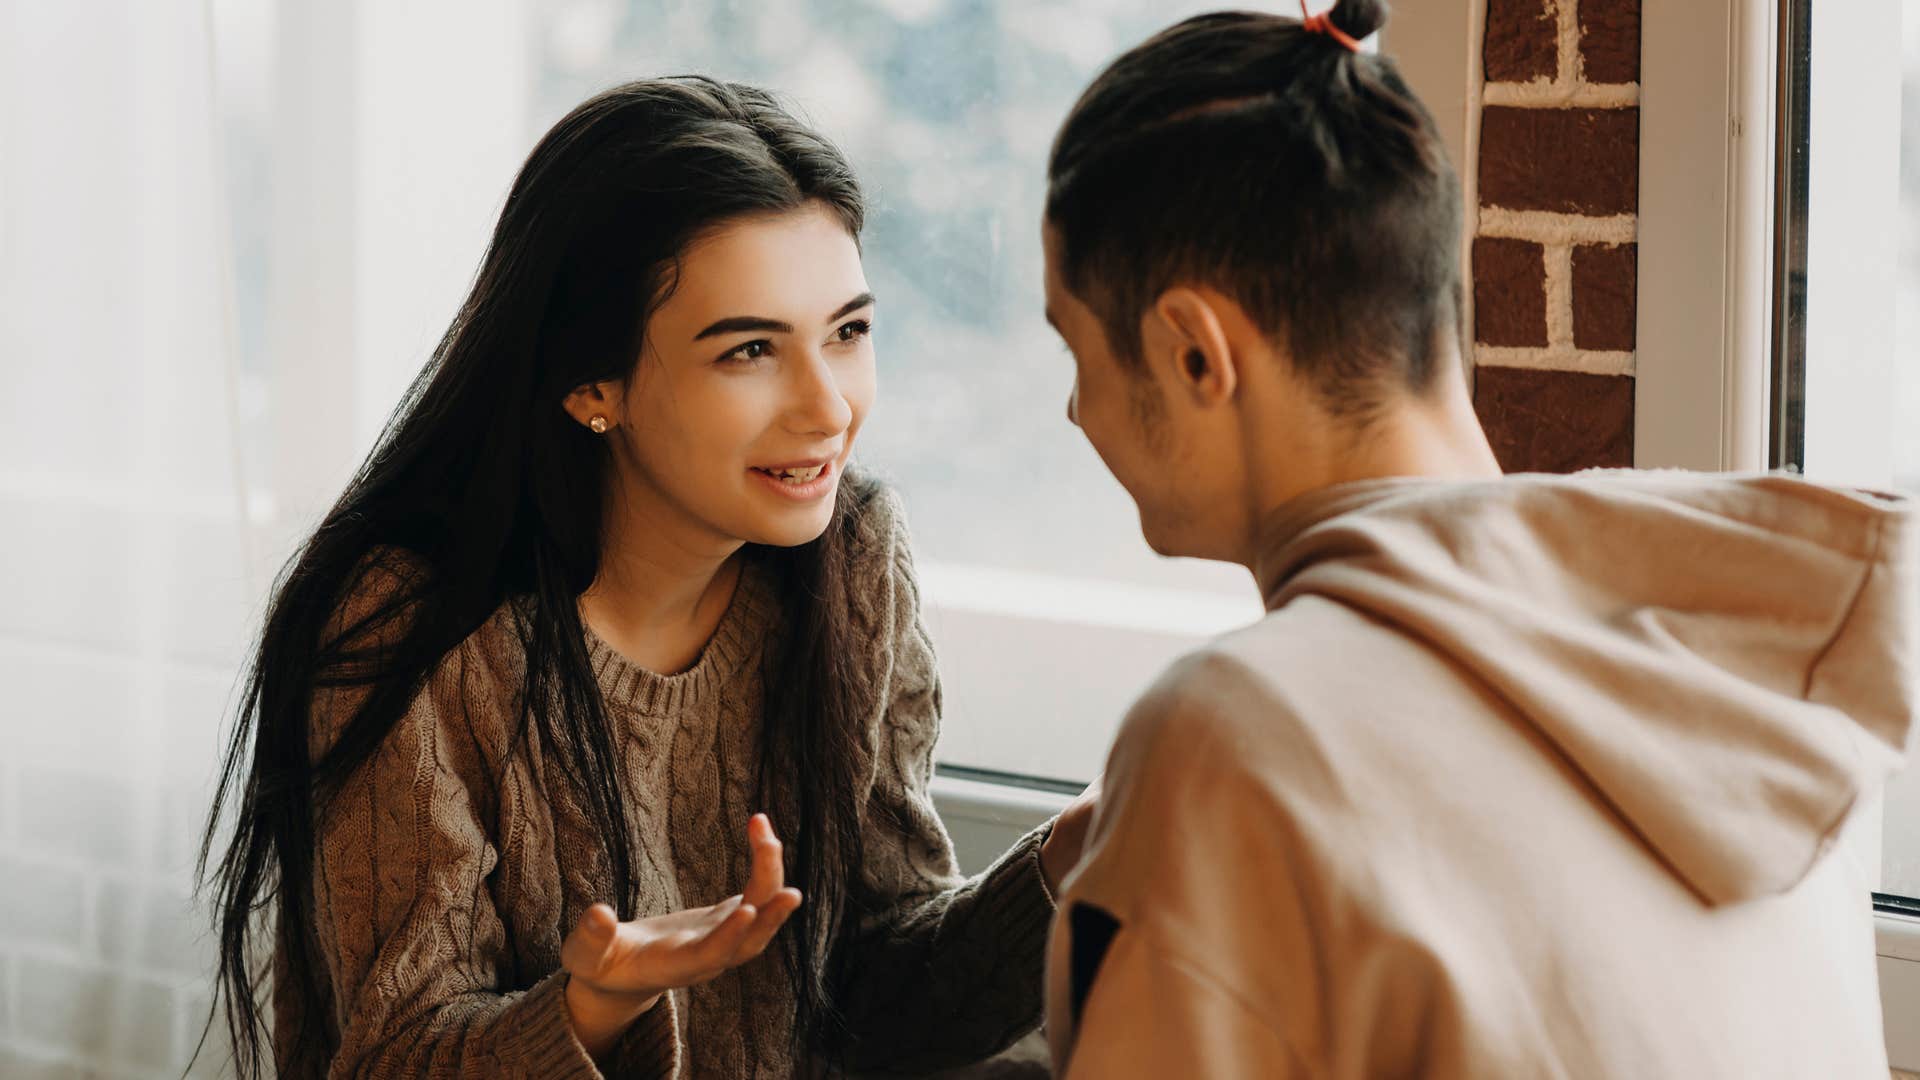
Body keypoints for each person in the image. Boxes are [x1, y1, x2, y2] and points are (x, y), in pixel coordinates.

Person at [1036, 3, 1915, 1076]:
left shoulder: (1242, 735)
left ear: (1194, 354)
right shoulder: (1739, 674)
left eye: (1075, 347)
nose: (1077, 412)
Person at [199, 77, 1093, 1079]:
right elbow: (391, 1059)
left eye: (847, 332)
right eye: (751, 349)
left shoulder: (857, 559)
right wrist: (591, 1007)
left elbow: (885, 1004)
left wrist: (1075, 853)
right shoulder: (411, 628)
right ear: (592, 385)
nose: (828, 406)